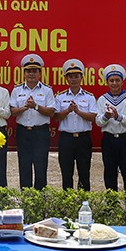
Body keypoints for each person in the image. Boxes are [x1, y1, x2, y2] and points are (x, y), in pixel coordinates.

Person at [10, 54, 55, 190]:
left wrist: (35, 106)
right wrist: (24, 107)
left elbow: (51, 112)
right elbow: (12, 112)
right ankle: (26, 200)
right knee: (24, 166)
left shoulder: (47, 90)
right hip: (23, 132)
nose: (31, 74)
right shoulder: (17, 90)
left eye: (34, 71)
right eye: (28, 71)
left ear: (40, 73)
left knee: (41, 166)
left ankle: (39, 201)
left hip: (40, 133)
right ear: (24, 73)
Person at [54, 58, 96, 191]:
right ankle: (68, 204)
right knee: (66, 174)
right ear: (66, 78)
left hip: (83, 139)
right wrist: (68, 110)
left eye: (76, 76)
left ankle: (84, 204)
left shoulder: (89, 97)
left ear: (81, 77)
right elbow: (55, 117)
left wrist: (78, 111)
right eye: (70, 77)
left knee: (84, 173)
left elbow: (93, 117)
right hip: (66, 139)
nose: (74, 79)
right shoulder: (60, 97)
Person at [95, 64, 126, 191]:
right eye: (111, 80)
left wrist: (118, 117)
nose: (114, 83)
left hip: (125, 139)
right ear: (107, 82)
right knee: (109, 173)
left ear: (122, 81)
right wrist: (106, 116)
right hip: (108, 139)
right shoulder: (102, 99)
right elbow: (98, 122)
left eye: (117, 80)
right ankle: (111, 205)